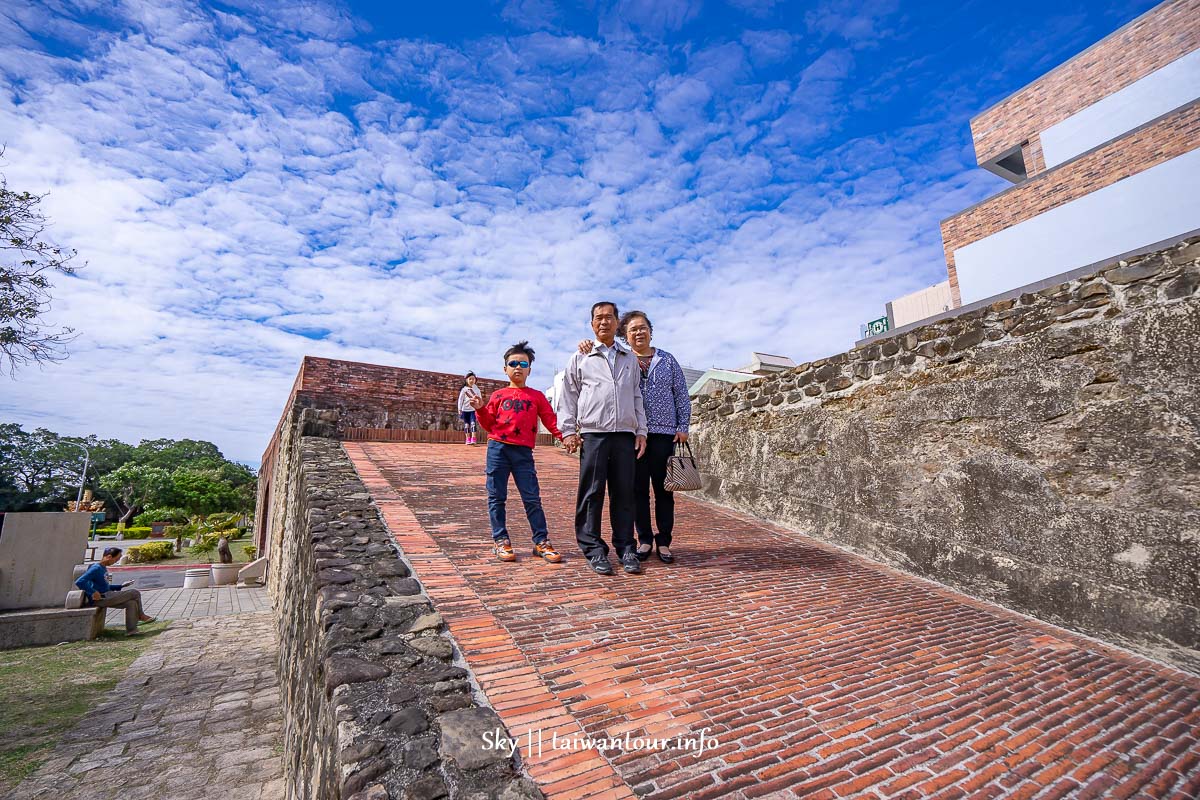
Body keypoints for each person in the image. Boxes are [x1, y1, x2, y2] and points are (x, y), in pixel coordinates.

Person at [584, 311, 690, 563]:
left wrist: (682, 426)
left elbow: (681, 394)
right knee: (637, 490)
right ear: (625, 335)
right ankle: (644, 539)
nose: (639, 333)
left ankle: (664, 540)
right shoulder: (622, 358)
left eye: (643, 328)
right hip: (632, 434)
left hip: (665, 434)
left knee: (664, 490)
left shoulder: (667, 360)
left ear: (651, 331)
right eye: (632, 330)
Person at [559, 301, 648, 576]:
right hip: (593, 434)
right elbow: (568, 394)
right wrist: (568, 430)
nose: (604, 322)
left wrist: (641, 430)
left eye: (609, 317)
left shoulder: (629, 357)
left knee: (624, 494)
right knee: (591, 493)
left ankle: (626, 548)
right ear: (592, 324)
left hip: (624, 435)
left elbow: (636, 396)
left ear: (616, 321)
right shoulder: (581, 356)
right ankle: (593, 549)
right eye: (598, 318)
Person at [471, 341, 566, 564]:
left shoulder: (537, 396)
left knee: (532, 498)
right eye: (512, 363)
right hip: (498, 449)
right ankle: (500, 540)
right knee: (497, 497)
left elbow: (551, 420)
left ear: (529, 369)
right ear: (505, 368)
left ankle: (541, 542)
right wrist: (479, 409)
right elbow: (488, 424)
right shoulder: (497, 396)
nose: (518, 367)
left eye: (523, 363)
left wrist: (564, 437)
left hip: (523, 453)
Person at [74, 548, 155, 635]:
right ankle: (141, 615)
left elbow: (105, 587)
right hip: (101, 598)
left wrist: (121, 586)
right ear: (109, 557)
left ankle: (132, 630)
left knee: (131, 603)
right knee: (135, 593)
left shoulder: (103, 568)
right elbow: (80, 581)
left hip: (107, 596)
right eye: (116, 559)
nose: (116, 561)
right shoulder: (96, 568)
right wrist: (93, 592)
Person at [457, 371, 483, 445]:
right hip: (465, 409)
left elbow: (480, 399)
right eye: (470, 379)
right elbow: (460, 399)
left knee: (473, 423)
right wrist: (459, 408)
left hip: (473, 410)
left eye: (473, 379)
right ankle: (468, 438)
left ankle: (473, 438)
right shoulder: (464, 390)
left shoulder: (477, 390)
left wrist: (479, 408)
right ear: (466, 380)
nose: (472, 380)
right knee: (466, 424)